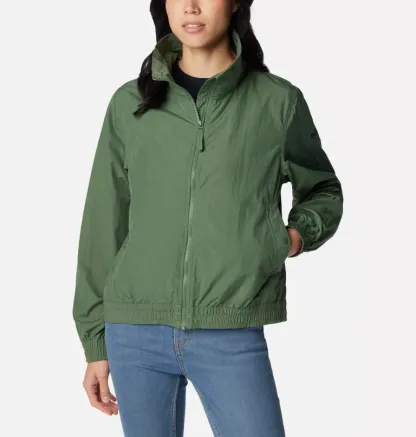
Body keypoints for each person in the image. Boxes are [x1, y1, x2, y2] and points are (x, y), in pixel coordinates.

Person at [72, 0, 344, 436]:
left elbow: (323, 189)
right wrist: (95, 341)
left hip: (231, 326)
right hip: (134, 330)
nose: (192, 7)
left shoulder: (277, 101)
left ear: (235, 3)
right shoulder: (130, 103)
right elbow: (103, 221)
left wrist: (291, 238)